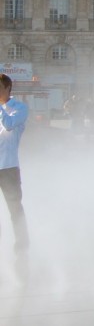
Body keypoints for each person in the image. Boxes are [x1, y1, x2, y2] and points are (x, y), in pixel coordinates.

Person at [0, 74, 29, 250]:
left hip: (8, 167)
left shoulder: (19, 108)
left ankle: (22, 244)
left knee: (15, 208)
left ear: (8, 88)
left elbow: (9, 125)